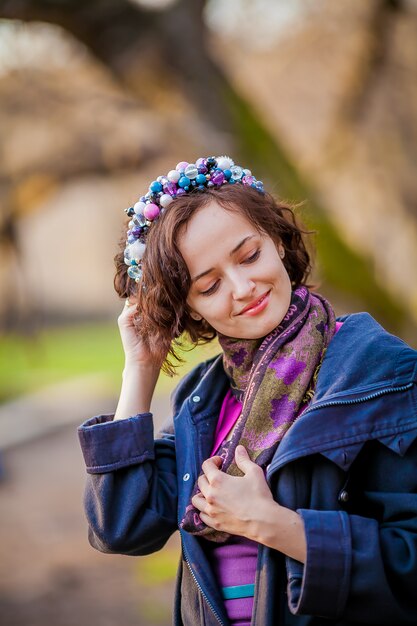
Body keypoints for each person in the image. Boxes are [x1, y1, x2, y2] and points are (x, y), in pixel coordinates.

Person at [78, 155, 417, 626]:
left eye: (249, 255)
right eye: (210, 285)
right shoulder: (204, 400)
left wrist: (276, 527)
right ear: (191, 310)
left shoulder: (380, 375)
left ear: (276, 240)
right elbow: (122, 526)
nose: (242, 287)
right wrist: (141, 369)